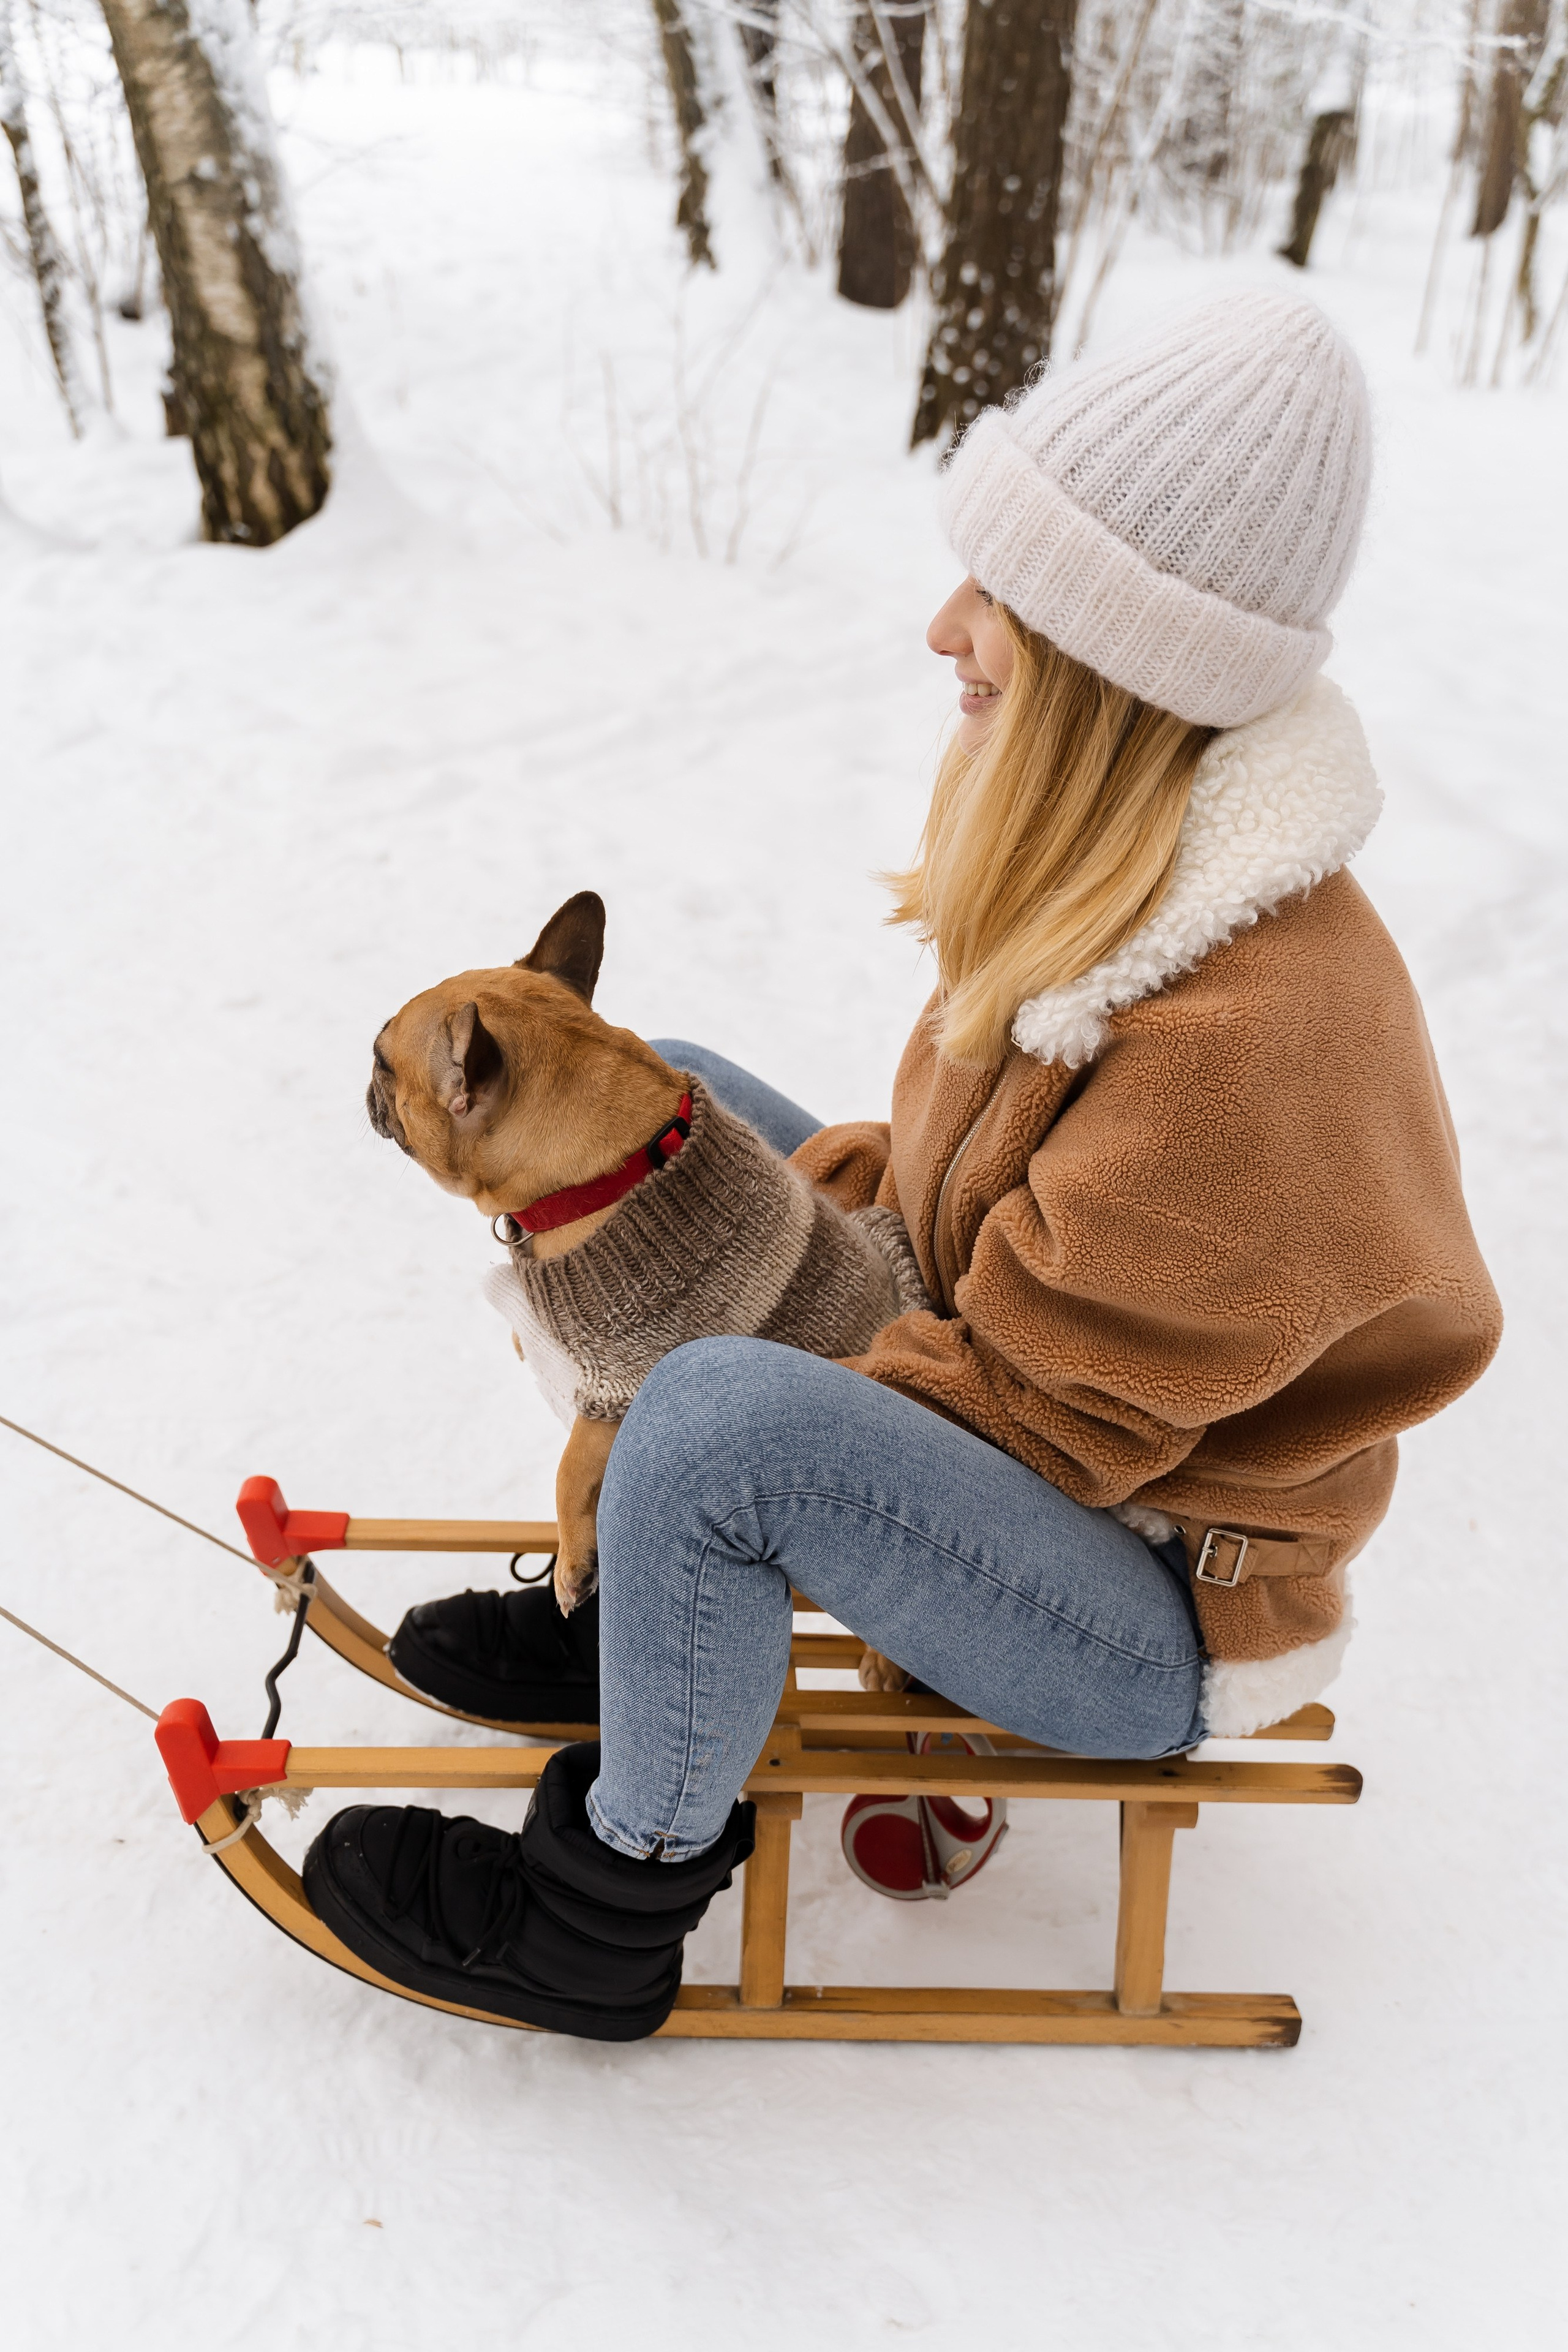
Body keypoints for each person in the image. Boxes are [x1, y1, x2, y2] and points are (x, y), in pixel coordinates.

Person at [303, 288, 1502, 2040]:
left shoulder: (1248, 1043)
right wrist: (780, 1221)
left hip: (1144, 1592)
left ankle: (602, 1902)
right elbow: (963, 1214)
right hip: (1029, 1381)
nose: (946, 625)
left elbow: (1040, 1417)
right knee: (679, 1103)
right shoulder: (1132, 866)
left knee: (712, 1416)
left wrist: (712, 1436)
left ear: (1116, 666)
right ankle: (641, 1612)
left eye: (1001, 601)